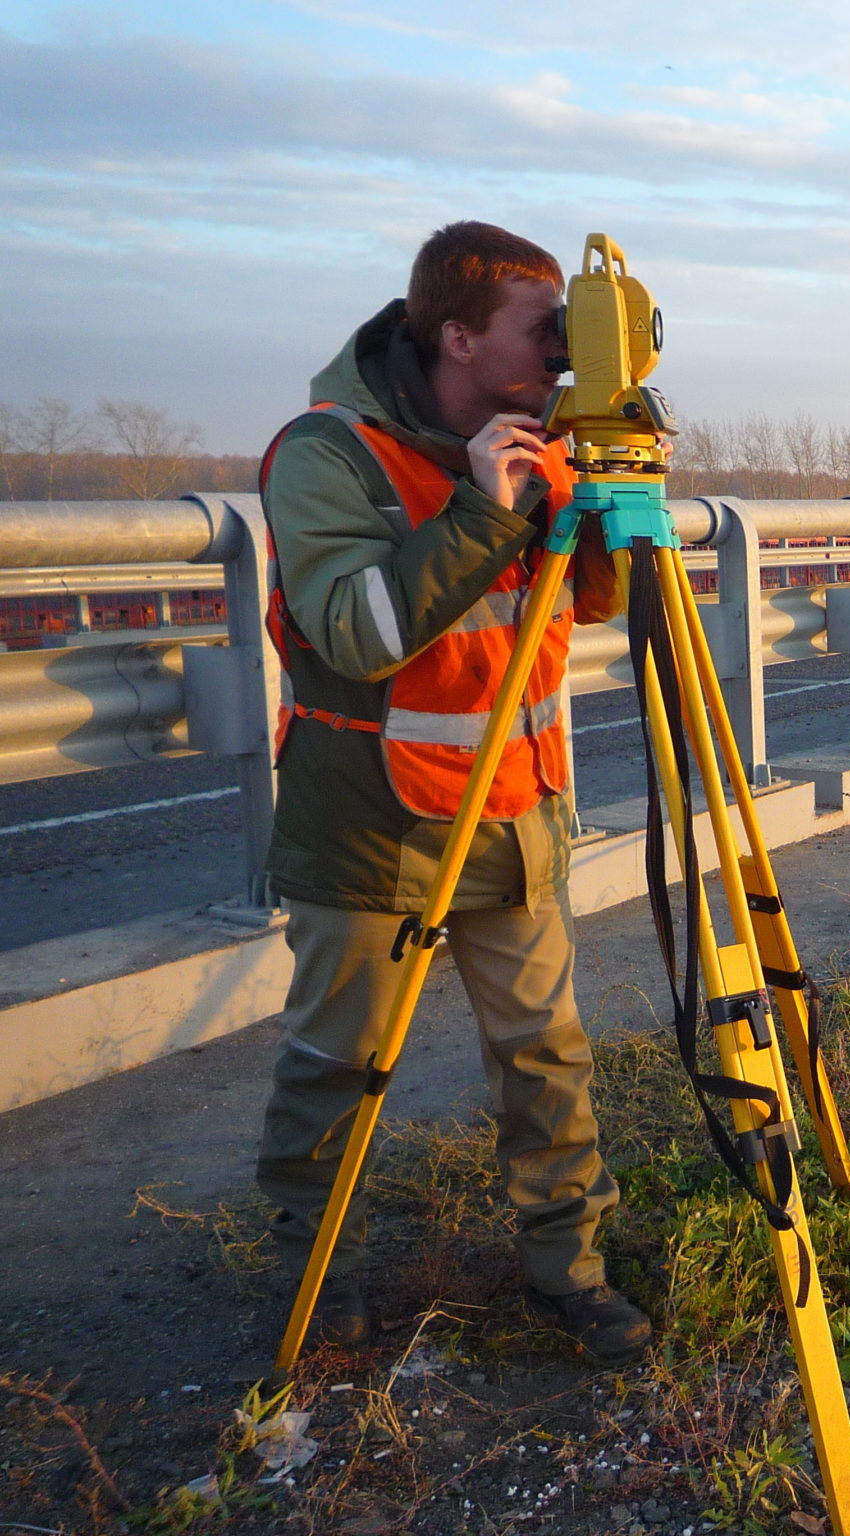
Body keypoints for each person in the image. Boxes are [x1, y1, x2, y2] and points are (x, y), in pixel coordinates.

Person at [253, 221, 651, 1364]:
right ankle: (310, 1277)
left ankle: (567, 1272)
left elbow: (590, 609)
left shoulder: (527, 443)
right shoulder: (327, 453)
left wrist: (598, 500)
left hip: (513, 813)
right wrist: (484, 509)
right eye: (547, 333)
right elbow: (358, 633)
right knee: (339, 1064)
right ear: (460, 335)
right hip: (370, 828)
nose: (566, 359)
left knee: (547, 1058)